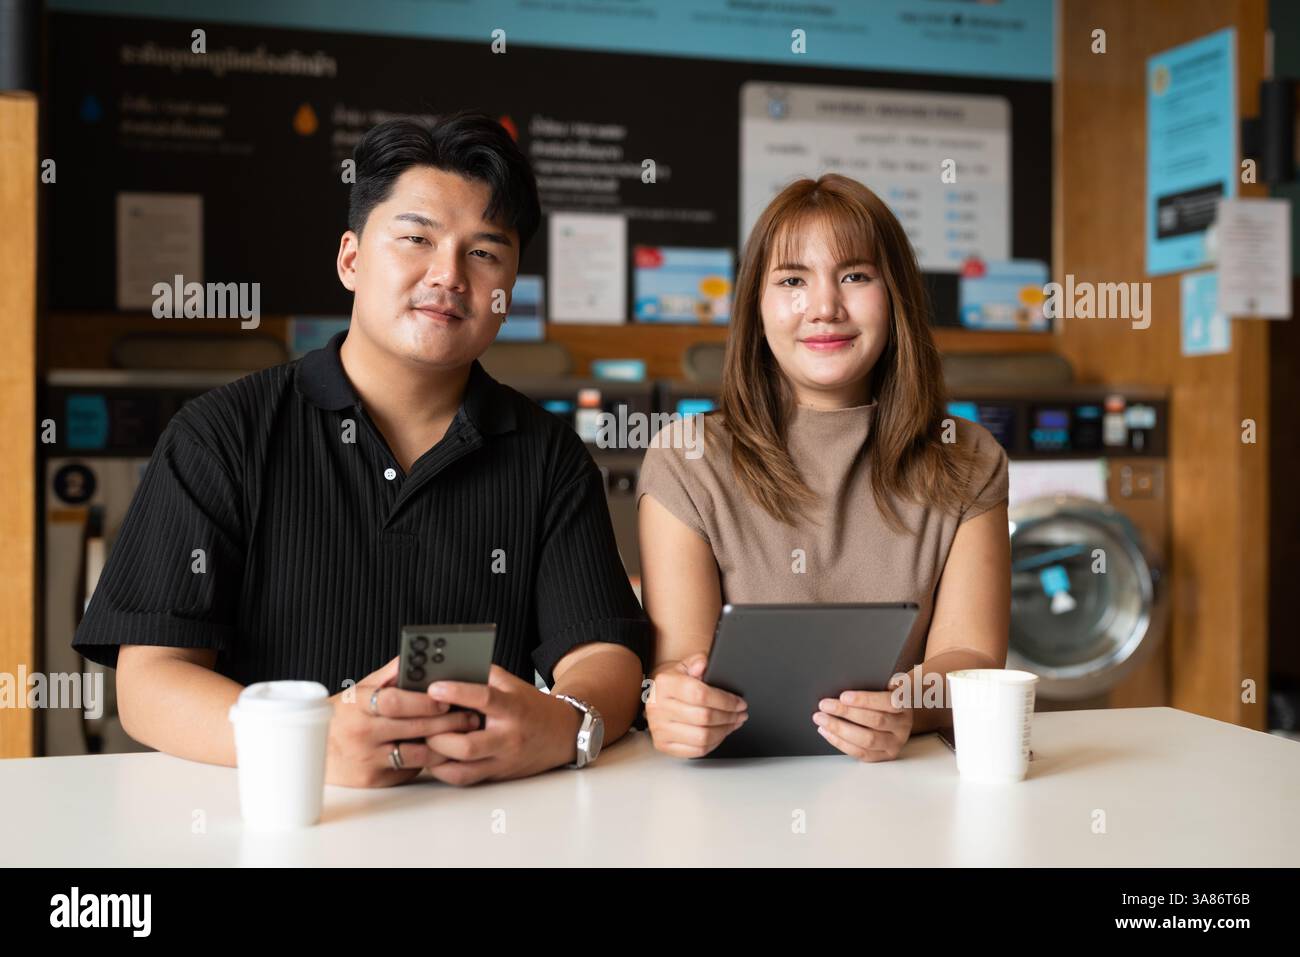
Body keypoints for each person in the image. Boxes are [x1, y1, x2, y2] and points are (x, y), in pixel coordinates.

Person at [74, 113, 650, 787]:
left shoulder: (548, 455)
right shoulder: (222, 434)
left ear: (507, 291)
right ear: (351, 258)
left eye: (484, 252)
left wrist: (565, 725)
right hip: (273, 821)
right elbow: (149, 683)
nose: (449, 275)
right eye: (416, 238)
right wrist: (309, 739)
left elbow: (604, 652)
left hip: (473, 825)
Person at [637, 173, 1010, 761]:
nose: (825, 308)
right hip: (735, 789)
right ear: (756, 306)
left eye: (856, 276)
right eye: (791, 280)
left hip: (900, 789)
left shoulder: (968, 459)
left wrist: (902, 706)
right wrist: (672, 700)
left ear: (897, 296)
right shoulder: (684, 459)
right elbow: (676, 659)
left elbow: (972, 657)